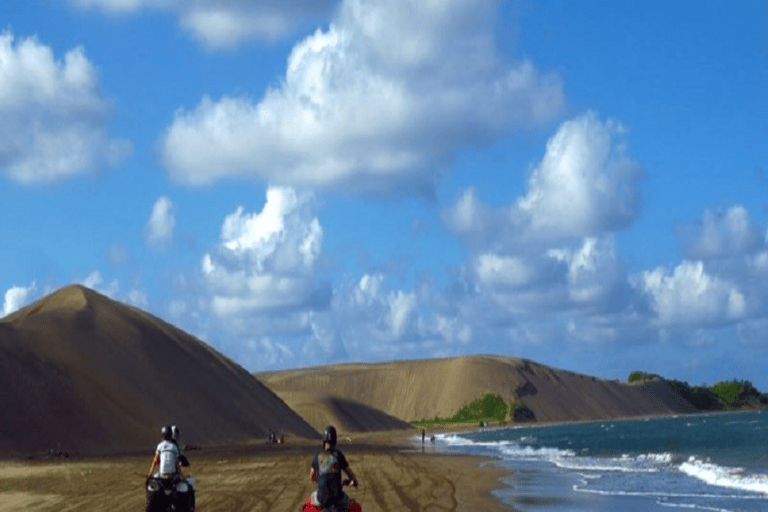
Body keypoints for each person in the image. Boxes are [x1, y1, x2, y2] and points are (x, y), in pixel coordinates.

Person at [305, 425, 361, 512]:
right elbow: (350, 474)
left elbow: (312, 476)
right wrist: (352, 482)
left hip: (321, 499)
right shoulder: (338, 455)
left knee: (307, 503)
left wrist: (319, 480)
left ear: (324, 441)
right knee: (356, 507)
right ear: (335, 440)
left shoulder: (317, 456)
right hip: (338, 500)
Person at [147, 425, 194, 511]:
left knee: (150, 489)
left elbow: (154, 461)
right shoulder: (175, 447)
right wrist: (182, 476)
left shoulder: (160, 446)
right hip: (172, 477)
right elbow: (177, 464)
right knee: (188, 487)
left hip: (161, 477)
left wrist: (149, 475)